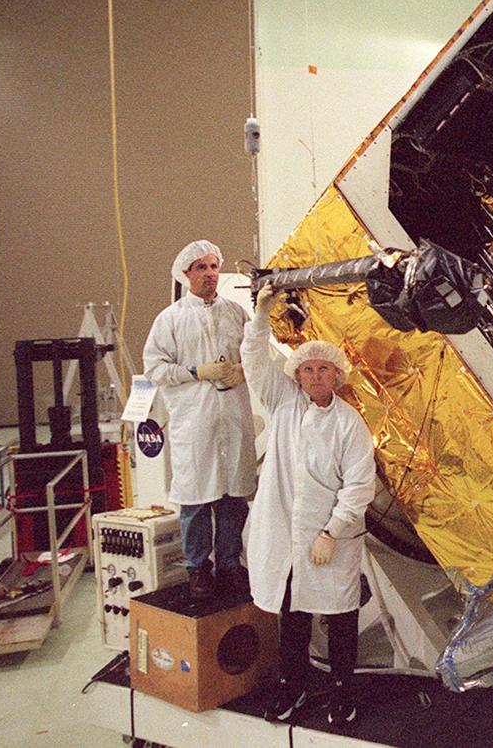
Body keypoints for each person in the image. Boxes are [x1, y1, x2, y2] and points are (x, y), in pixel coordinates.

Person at [242, 282, 376, 728]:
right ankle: (293, 686)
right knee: (293, 616)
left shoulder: (349, 424)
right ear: (297, 375)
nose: (315, 376)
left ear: (337, 376)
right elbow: (254, 362)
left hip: (331, 540)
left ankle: (342, 691)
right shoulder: (283, 403)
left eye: (323, 369)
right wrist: (260, 317)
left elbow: (359, 485)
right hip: (286, 535)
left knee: (340, 618)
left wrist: (331, 532)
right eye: (307, 369)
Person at [142, 240, 256, 601]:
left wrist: (243, 370)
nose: (210, 274)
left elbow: (256, 354)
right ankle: (198, 569)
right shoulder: (170, 319)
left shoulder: (237, 313)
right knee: (195, 502)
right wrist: (196, 371)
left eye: (213, 266)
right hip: (195, 423)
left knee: (233, 498)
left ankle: (230, 564)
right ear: (186, 274)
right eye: (202, 268)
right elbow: (155, 368)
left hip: (233, 419)